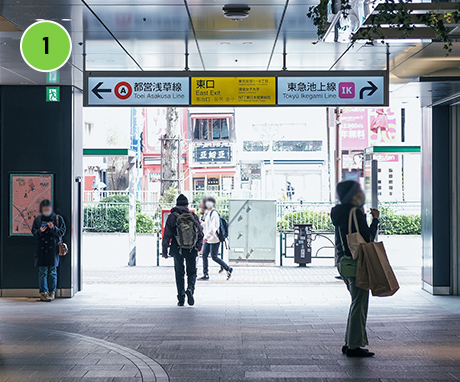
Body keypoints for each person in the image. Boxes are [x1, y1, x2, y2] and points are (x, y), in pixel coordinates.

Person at [330, 180, 379, 358]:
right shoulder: (355, 212)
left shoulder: (338, 212)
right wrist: (375, 220)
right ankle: (353, 346)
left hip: (344, 262)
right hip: (356, 263)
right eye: (358, 192)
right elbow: (367, 238)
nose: (361, 194)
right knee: (359, 304)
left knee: (356, 302)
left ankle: (350, 342)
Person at [162, 194, 203, 306]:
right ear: (187, 204)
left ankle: (181, 298)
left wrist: (164, 250)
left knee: (179, 273)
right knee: (192, 272)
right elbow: (200, 232)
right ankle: (190, 289)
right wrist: (199, 246)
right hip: (191, 248)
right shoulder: (192, 215)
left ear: (176, 204)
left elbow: (167, 235)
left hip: (177, 248)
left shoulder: (172, 216)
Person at [31, 199, 66, 302]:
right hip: (41, 249)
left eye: (48, 208)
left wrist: (53, 228)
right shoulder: (38, 219)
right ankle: (43, 293)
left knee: (52, 271)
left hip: (53, 249)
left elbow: (62, 232)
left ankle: (52, 292)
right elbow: (34, 232)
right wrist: (40, 231)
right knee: (43, 272)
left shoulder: (58, 218)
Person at [199, 197, 233, 281]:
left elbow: (214, 228)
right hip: (209, 239)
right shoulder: (208, 213)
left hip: (214, 239)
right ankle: (205, 274)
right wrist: (202, 223)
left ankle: (228, 268)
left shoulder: (214, 214)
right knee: (204, 255)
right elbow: (208, 225)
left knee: (214, 257)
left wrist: (206, 237)